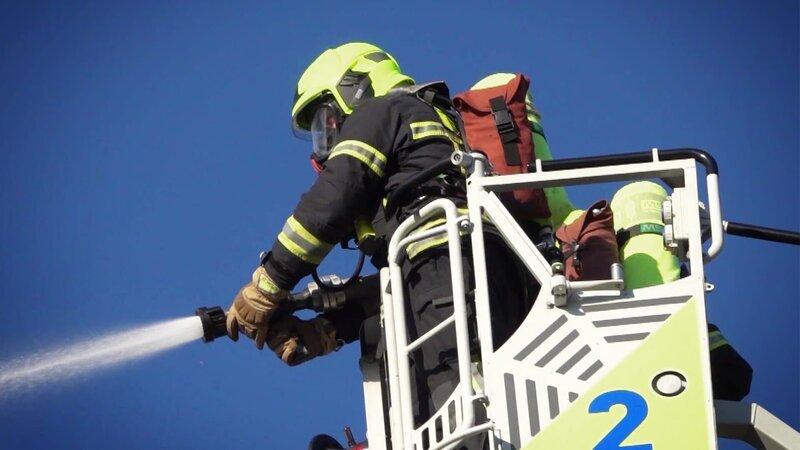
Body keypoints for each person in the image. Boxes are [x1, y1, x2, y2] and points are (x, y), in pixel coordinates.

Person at [224, 42, 534, 444]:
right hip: (465, 275)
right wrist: (326, 329)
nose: (326, 140)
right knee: (439, 414)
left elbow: (337, 193)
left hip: (450, 274)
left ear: (354, 90)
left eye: (325, 119)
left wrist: (269, 281)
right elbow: (395, 289)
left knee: (460, 409)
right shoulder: (425, 163)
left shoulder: (382, 111)